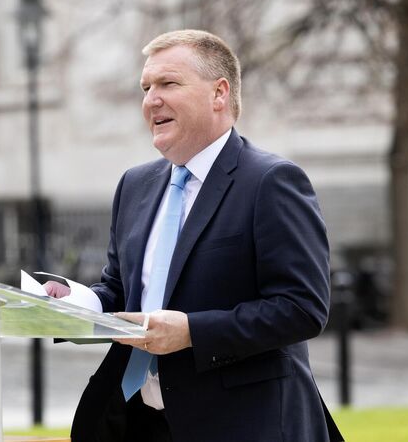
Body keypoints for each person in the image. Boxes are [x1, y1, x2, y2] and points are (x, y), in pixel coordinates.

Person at [44, 30, 343, 441]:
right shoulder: (134, 184)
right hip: (138, 423)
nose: (151, 100)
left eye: (168, 83)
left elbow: (302, 308)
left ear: (219, 93)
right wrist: (79, 303)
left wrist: (191, 332)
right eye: (146, 88)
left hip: (240, 425)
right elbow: (121, 289)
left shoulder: (271, 181)